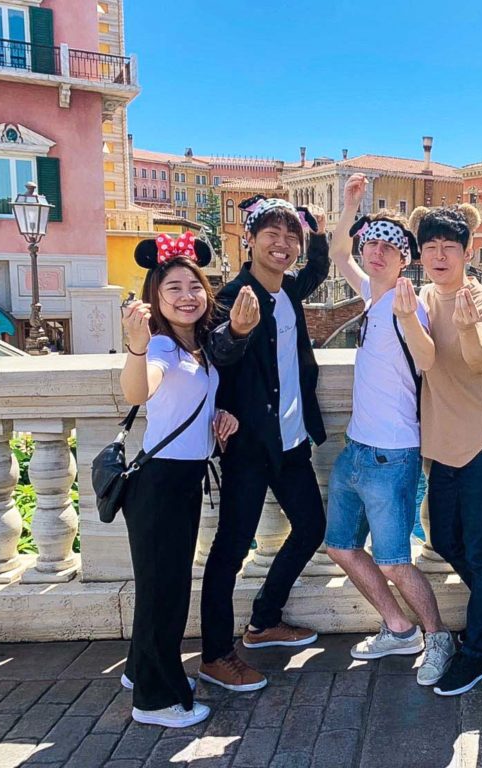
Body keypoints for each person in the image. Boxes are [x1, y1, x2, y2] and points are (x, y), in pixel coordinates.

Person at [119, 232, 258, 726]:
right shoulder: (158, 345)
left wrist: (222, 414)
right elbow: (140, 389)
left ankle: (140, 670)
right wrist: (136, 349)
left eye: (194, 287)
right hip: (162, 485)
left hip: (181, 479)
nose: (186, 296)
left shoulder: (195, 345)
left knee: (159, 586)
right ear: (155, 298)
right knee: (166, 593)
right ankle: (155, 701)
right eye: (173, 288)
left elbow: (192, 396)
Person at [324, 173, 456, 686]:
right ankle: (399, 627)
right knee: (339, 545)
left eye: (389, 246)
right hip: (356, 449)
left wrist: (411, 320)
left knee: (398, 561)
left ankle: (439, 638)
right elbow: (338, 253)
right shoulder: (369, 295)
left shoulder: (409, 304)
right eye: (371, 243)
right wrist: (350, 205)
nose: (375, 252)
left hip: (392, 455)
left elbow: (428, 361)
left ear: (406, 260)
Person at [199, 197, 329, 692]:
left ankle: (263, 621)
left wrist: (317, 229)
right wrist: (236, 331)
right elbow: (215, 355)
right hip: (249, 445)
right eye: (271, 234)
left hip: (291, 440)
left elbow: (317, 265)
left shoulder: (289, 291)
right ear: (248, 240)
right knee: (230, 548)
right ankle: (215, 654)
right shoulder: (232, 297)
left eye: (290, 235)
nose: (283, 243)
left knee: (311, 527)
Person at [400, 204, 482, 696]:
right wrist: (410, 317)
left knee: (480, 550)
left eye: (448, 247)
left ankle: (478, 652)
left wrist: (469, 325)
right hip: (442, 444)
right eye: (430, 247)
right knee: (446, 541)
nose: (438, 255)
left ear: (466, 253)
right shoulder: (420, 297)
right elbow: (426, 359)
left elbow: (477, 363)